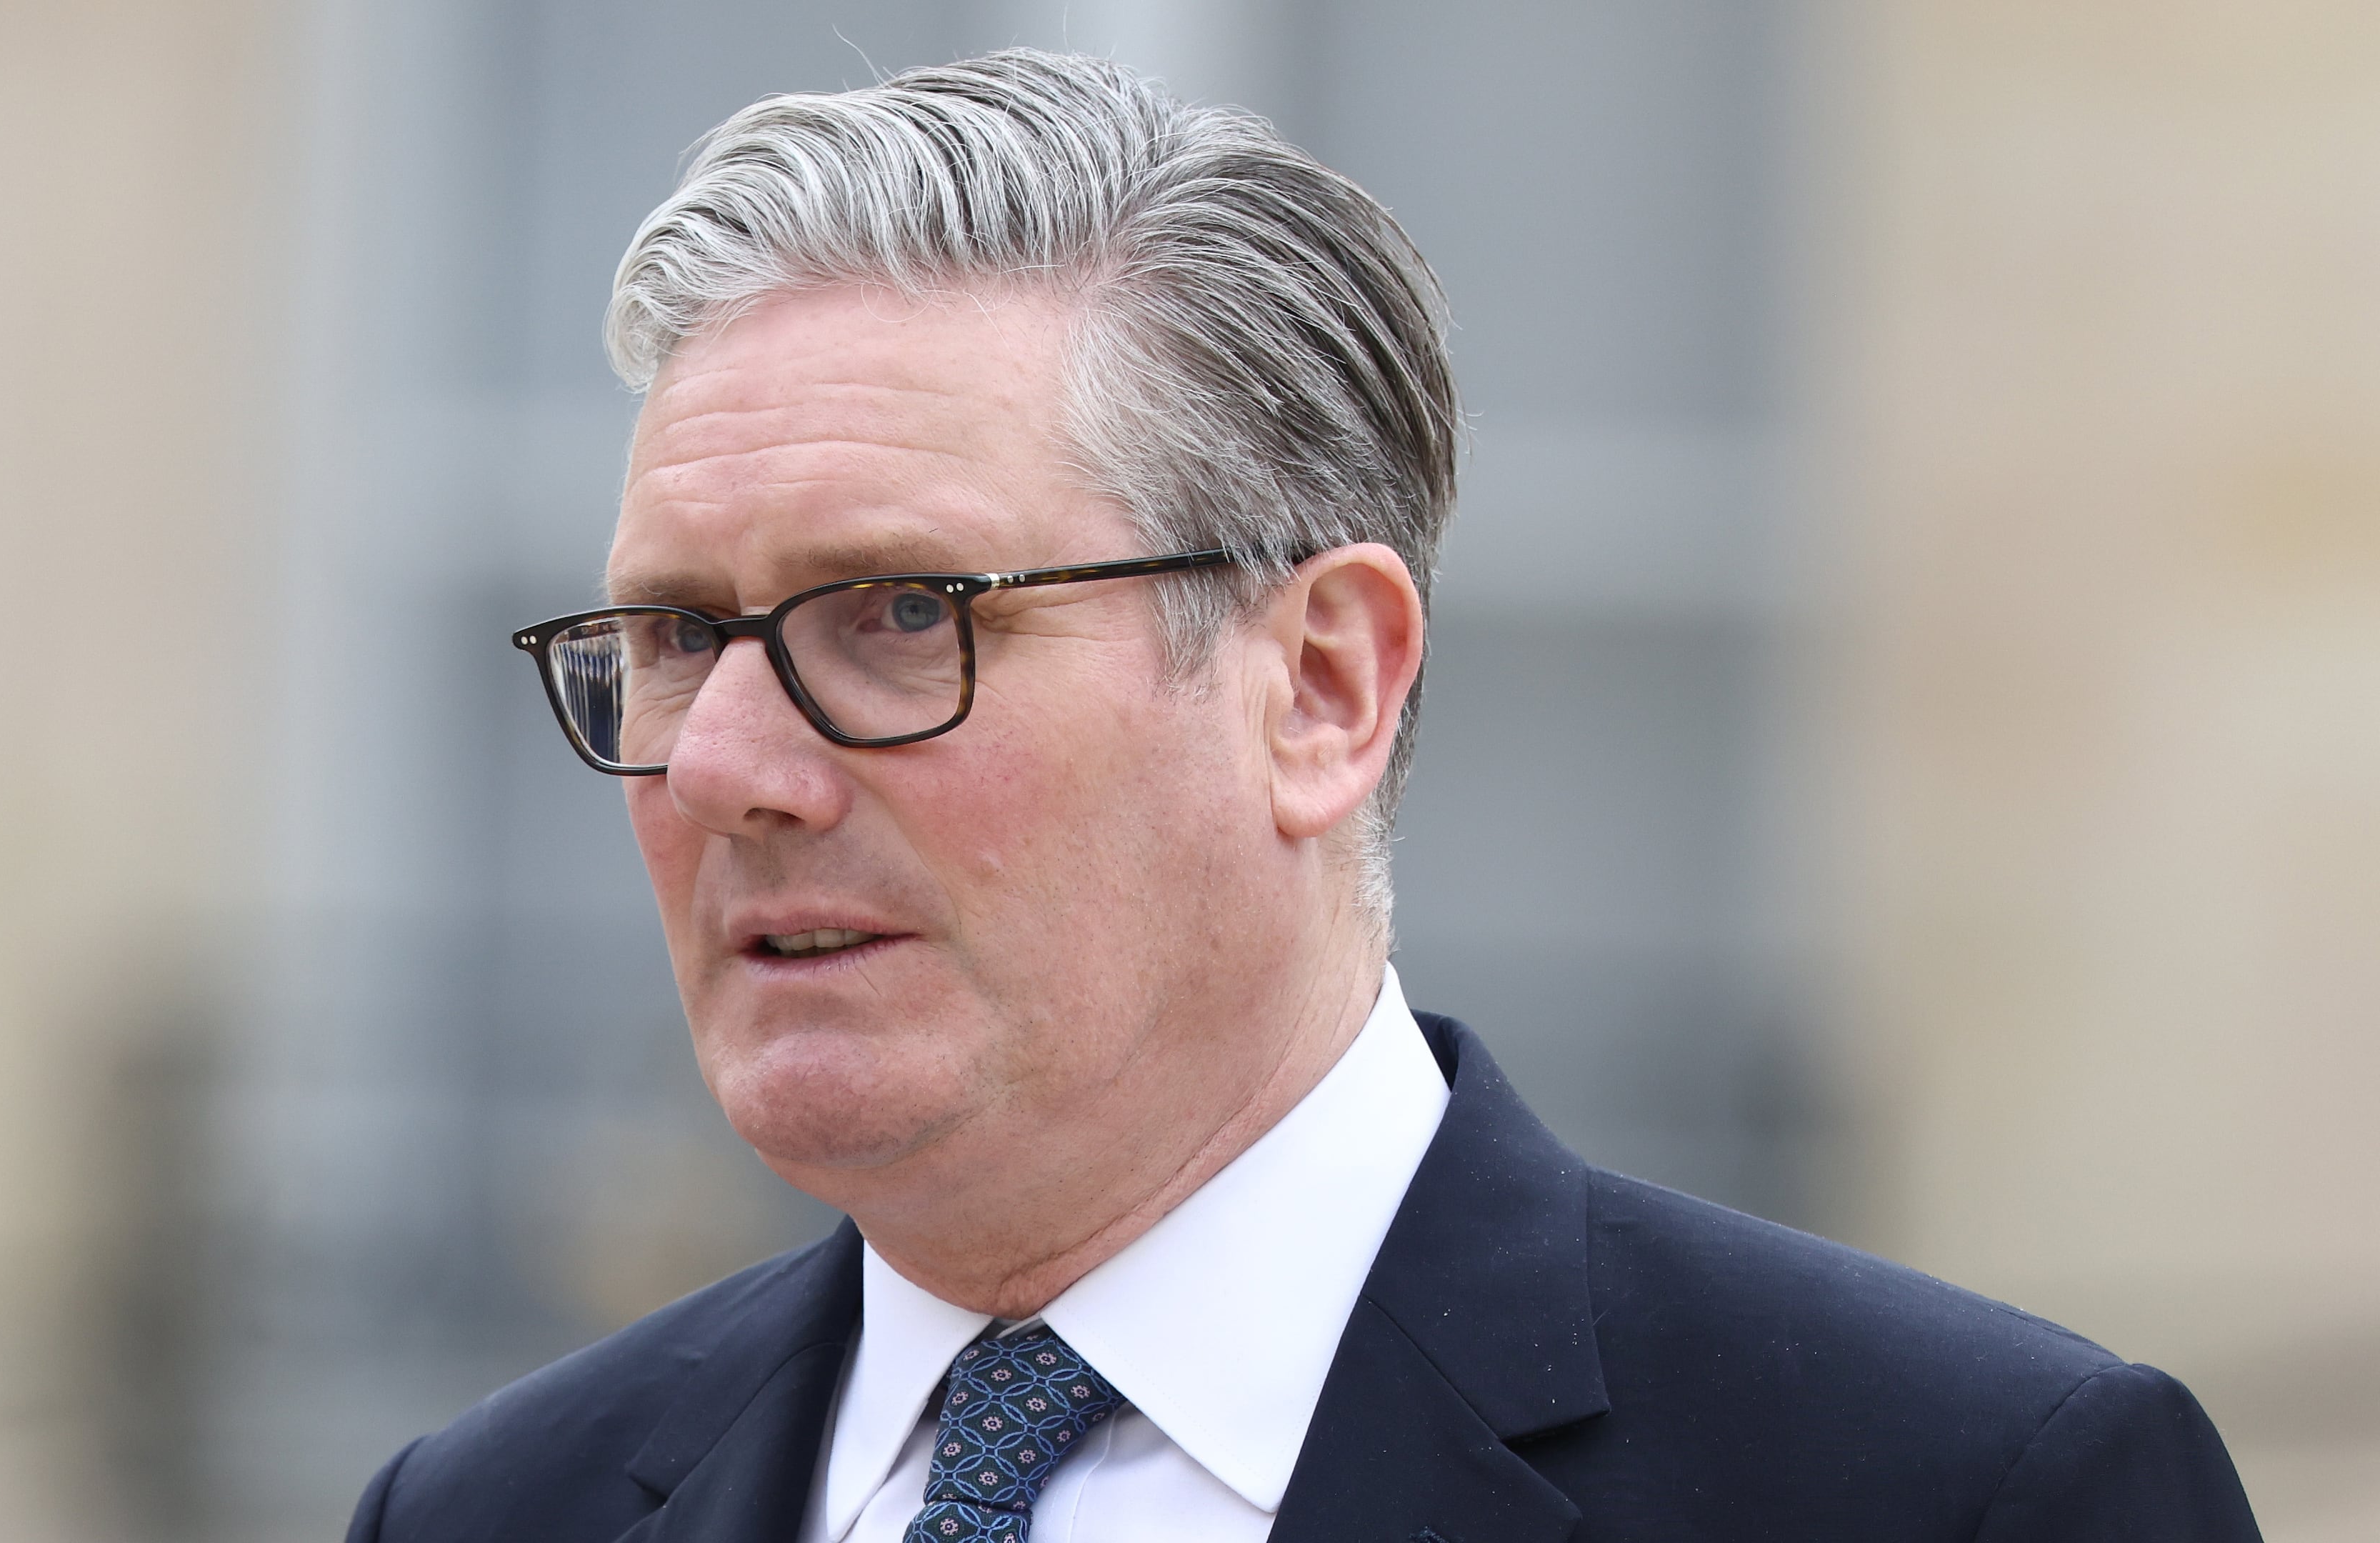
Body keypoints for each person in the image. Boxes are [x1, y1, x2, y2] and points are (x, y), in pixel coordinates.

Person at [346, 49, 2259, 1543]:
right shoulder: (487, 1513)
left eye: (903, 615)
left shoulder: (1953, 1496)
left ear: (1321, 686)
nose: (736, 770)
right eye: (675, 633)